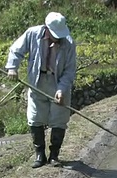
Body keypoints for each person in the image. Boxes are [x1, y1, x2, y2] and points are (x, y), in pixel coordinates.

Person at [5, 12, 77, 168]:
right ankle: (39, 154)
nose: (57, 38)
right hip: (37, 81)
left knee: (59, 117)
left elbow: (69, 71)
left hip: (58, 83)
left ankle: (54, 155)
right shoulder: (32, 34)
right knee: (35, 116)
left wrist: (61, 90)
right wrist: (12, 68)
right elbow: (16, 50)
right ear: (47, 28)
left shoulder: (69, 43)